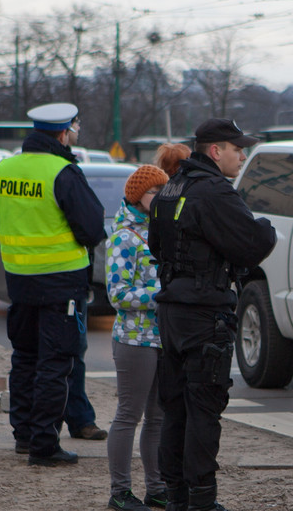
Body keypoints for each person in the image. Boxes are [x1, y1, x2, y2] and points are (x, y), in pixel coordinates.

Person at [148, 118, 276, 511]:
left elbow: (156, 245)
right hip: (204, 313)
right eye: (238, 149)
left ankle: (176, 496)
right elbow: (254, 244)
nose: (243, 155)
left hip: (171, 311)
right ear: (215, 151)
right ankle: (201, 501)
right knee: (203, 409)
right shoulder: (216, 191)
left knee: (176, 410)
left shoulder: (171, 186)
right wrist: (267, 226)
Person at [0, 102, 108, 467]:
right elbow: (91, 228)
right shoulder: (64, 171)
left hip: (19, 282)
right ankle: (44, 445)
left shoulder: (4, 169)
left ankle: (24, 436)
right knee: (55, 364)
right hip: (61, 283)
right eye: (74, 129)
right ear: (62, 133)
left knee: (24, 358)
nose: (74, 134)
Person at [106, 164, 170, 511]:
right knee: (128, 415)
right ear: (136, 197)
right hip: (134, 340)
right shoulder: (123, 237)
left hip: (161, 338)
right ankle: (120, 492)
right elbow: (117, 294)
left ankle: (156, 488)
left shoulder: (159, 231)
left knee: (158, 418)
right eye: (153, 193)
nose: (159, 199)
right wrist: (162, 293)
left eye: (163, 192)